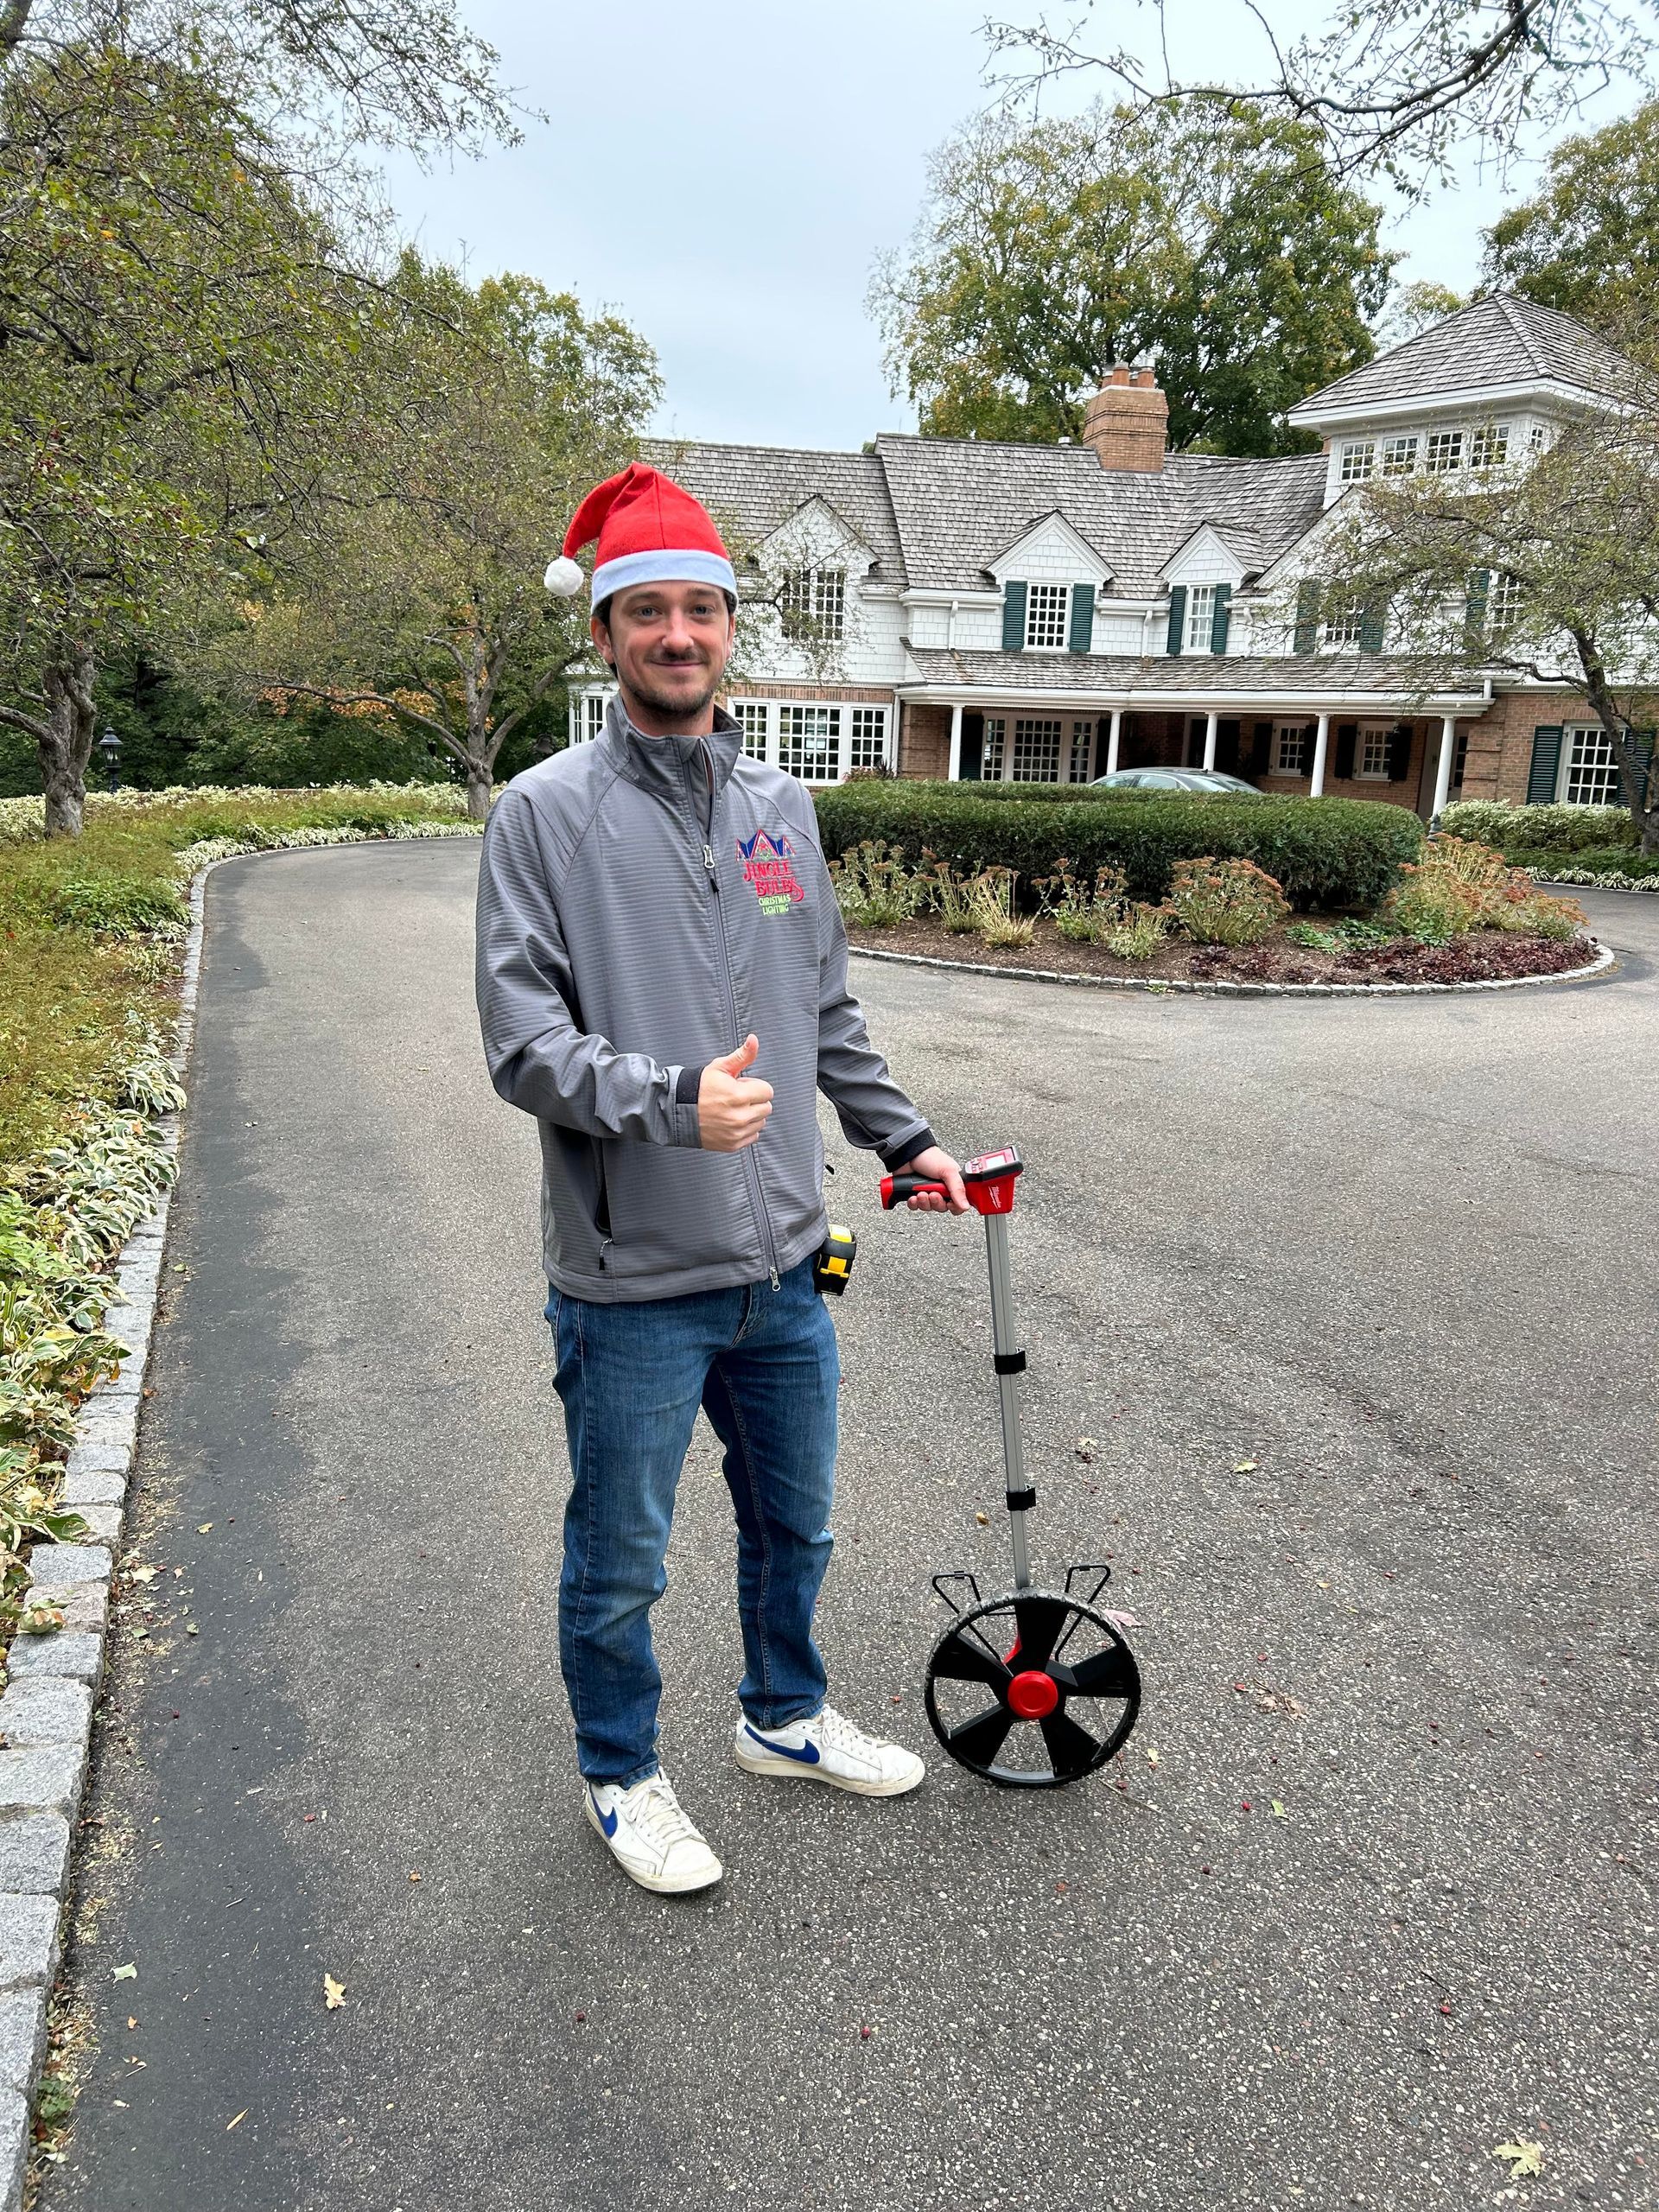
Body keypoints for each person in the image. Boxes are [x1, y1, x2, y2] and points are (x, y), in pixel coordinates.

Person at [474, 464, 969, 1895]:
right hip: (632, 1280)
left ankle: (785, 1715)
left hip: (785, 1272)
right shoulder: (542, 816)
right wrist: (673, 1105)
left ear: (732, 627)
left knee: (795, 1521)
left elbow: (825, 1011)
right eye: (649, 611)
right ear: (608, 635)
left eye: (701, 607)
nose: (677, 633)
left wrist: (905, 1139)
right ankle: (621, 1773)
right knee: (622, 1555)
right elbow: (521, 1047)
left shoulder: (778, 807)